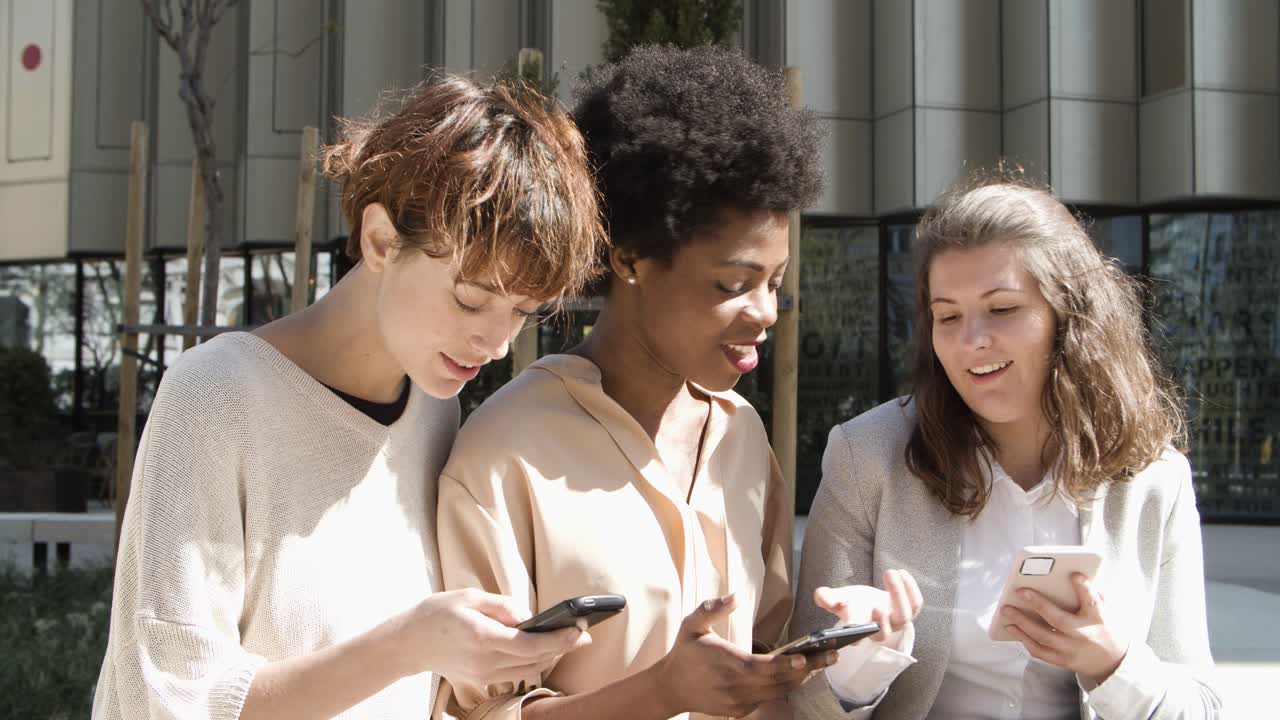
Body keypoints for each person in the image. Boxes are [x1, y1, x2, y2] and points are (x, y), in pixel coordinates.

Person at [92, 74, 605, 720]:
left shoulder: (434, 411)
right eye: (470, 299)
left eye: (522, 313)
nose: (497, 344)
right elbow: (170, 698)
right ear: (381, 240)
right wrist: (409, 645)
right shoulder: (216, 397)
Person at [435, 45, 828, 720]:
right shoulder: (505, 454)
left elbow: (770, 649)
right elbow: (476, 712)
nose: (765, 311)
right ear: (629, 259)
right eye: (733, 284)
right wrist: (660, 692)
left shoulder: (740, 436)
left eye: (775, 281)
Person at [789, 173, 1223, 719]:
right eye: (948, 316)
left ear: (1068, 314)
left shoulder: (1155, 478)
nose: (971, 341)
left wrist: (1115, 663)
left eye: (1002, 309)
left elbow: (1202, 707)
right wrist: (863, 659)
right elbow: (799, 700)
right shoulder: (866, 455)